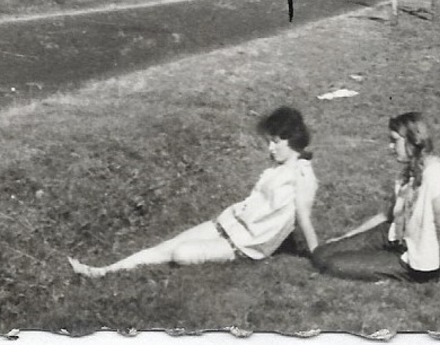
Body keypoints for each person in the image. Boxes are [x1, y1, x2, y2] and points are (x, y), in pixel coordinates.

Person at [68, 106, 319, 278]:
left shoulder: (302, 176)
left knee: (180, 253)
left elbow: (303, 218)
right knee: (167, 245)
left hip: (244, 245)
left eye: (276, 141)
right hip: (229, 222)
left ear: (293, 139)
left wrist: (318, 256)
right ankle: (102, 271)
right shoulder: (278, 167)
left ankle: (104, 272)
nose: (270, 148)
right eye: (269, 142)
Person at [310, 112, 440, 289]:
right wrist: (347, 237)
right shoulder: (410, 171)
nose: (391, 147)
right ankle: (378, 260)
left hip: (414, 258)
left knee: (332, 264)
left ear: (413, 140)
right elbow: (387, 214)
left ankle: (390, 272)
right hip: (393, 236)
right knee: (320, 254)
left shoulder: (439, 180)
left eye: (395, 140)